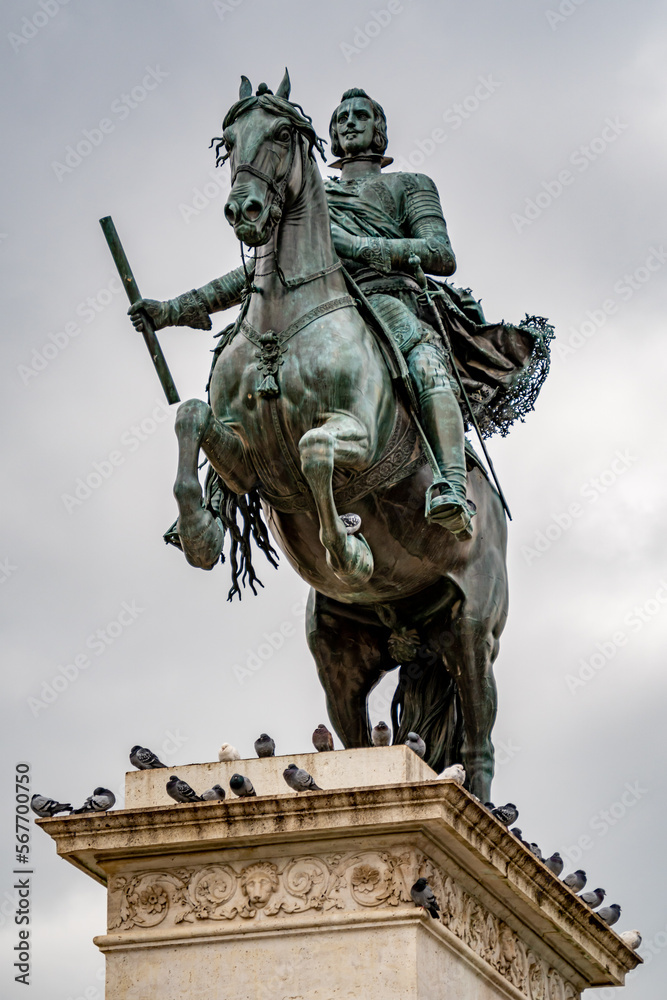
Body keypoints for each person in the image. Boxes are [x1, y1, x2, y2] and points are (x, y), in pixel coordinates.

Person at [324, 87, 474, 538]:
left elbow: (439, 254)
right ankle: (217, 494)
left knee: (427, 365)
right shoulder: (313, 196)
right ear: (332, 133)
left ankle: (452, 485)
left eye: (360, 116)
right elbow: (262, 270)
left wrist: (357, 247)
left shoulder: (410, 184)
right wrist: (177, 309)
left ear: (378, 129)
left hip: (391, 301)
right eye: (341, 118)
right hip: (326, 306)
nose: (349, 122)